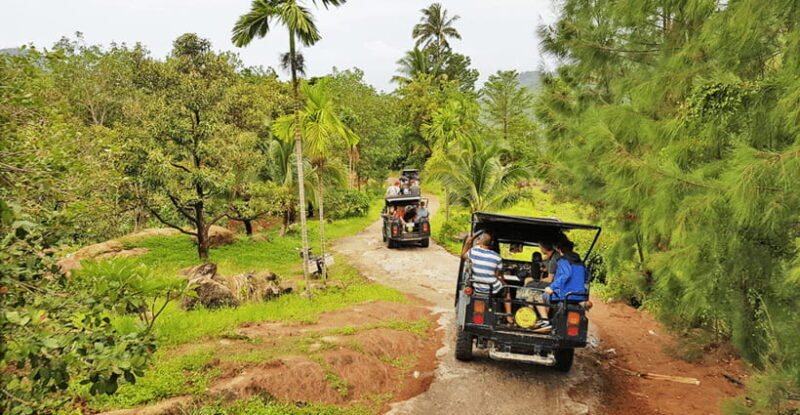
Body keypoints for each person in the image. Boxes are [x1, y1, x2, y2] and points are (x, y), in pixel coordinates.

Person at [461, 232, 514, 324]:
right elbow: (497, 276)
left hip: (477, 286)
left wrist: (467, 243)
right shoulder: (497, 257)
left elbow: (463, 255)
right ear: (492, 244)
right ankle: (509, 316)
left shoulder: (473, 252)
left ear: (480, 241)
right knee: (507, 290)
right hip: (492, 289)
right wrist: (504, 283)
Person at [536, 239, 586, 333]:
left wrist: (552, 287)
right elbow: (586, 277)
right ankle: (546, 321)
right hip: (579, 295)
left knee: (539, 296)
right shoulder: (580, 262)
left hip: (564, 294)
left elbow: (566, 274)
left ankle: (545, 321)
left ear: (559, 250)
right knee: (546, 296)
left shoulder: (563, 260)